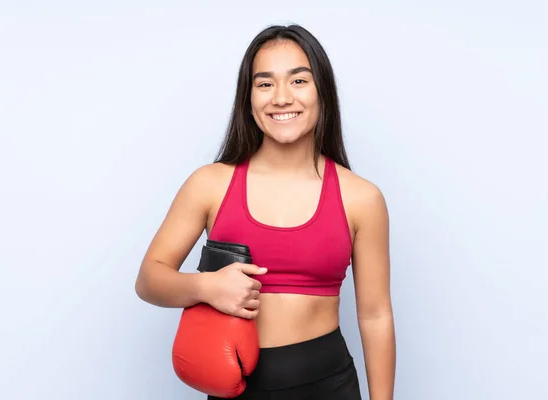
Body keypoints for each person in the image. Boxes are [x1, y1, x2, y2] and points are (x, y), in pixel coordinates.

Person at [135, 24, 396, 400]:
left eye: (299, 80)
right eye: (265, 84)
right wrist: (206, 287)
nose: (282, 98)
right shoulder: (210, 184)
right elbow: (148, 281)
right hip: (237, 389)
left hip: (329, 387)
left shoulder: (362, 198)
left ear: (322, 91)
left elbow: (375, 316)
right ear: (249, 97)